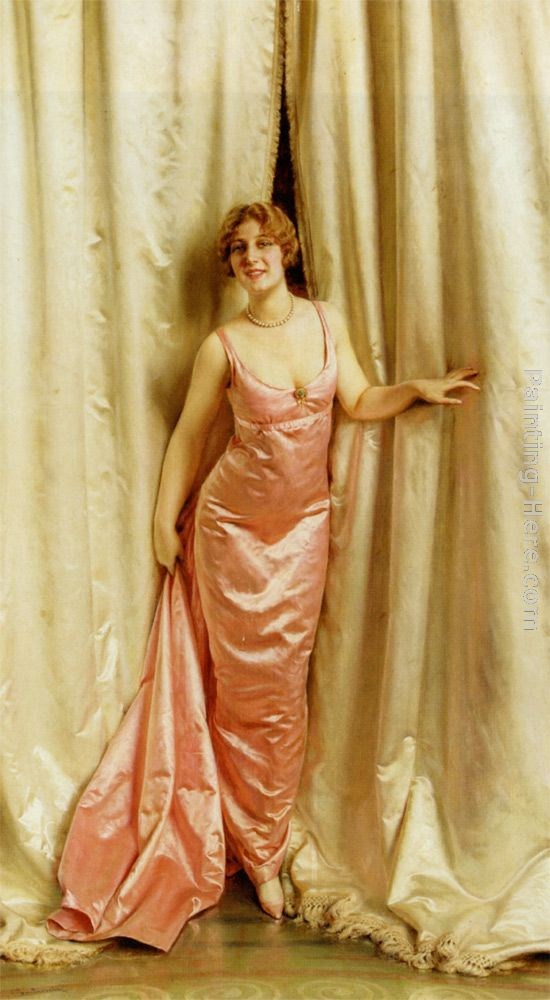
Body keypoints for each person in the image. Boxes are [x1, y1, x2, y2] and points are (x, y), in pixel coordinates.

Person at [47, 202, 479, 951]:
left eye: (264, 245)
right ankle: (246, 848)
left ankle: (265, 846)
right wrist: (163, 521)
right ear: (232, 265)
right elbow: (190, 436)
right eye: (239, 249)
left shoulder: (327, 321)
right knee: (241, 692)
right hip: (229, 532)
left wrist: (416, 389)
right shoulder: (222, 346)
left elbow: (358, 401)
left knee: (280, 696)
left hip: (302, 532)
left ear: (287, 253)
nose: (252, 257)